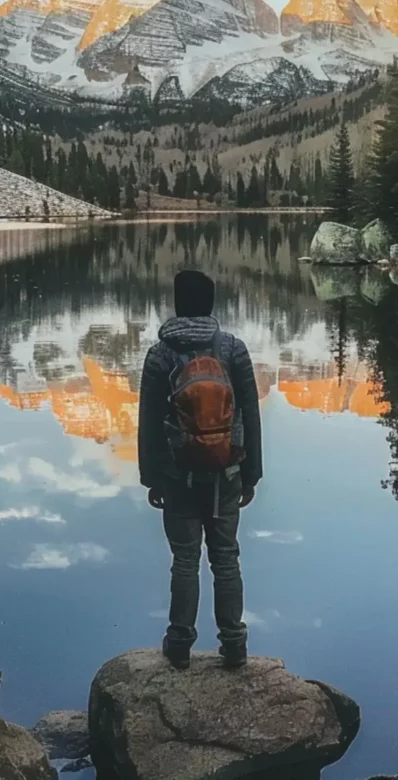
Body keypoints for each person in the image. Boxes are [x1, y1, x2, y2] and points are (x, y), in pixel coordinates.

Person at [138, 269, 263, 671]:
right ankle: (234, 644)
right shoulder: (233, 349)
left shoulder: (160, 355)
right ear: (210, 305)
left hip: (178, 476)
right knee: (226, 558)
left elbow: (149, 423)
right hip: (227, 474)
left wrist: (152, 477)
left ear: (178, 304)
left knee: (185, 561)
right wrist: (252, 473)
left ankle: (179, 645)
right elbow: (251, 414)